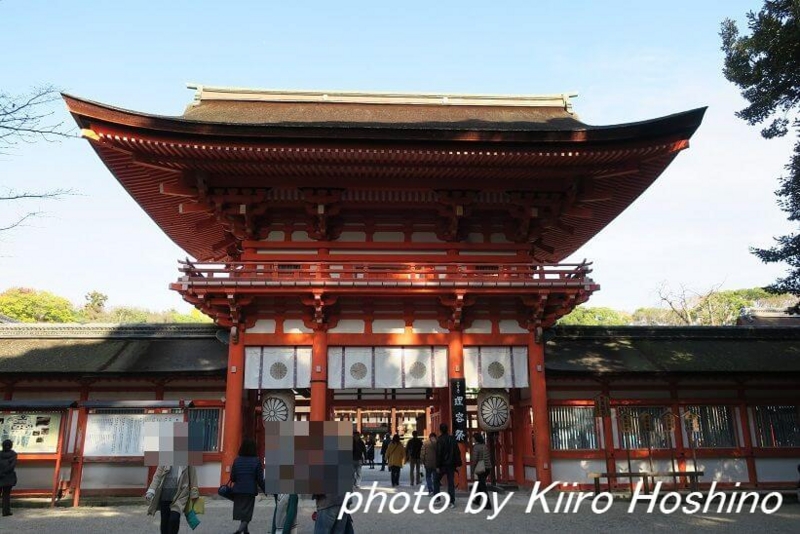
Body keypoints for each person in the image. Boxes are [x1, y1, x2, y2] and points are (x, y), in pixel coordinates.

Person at [145, 463, 200, 534]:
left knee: (174, 519)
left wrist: (194, 493)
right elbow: (157, 476)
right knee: (165, 520)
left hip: (180, 495)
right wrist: (151, 490)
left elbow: (193, 477)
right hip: (165, 495)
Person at [230, 438, 266, 534]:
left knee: (243, 513)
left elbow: (232, 477)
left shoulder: (237, 460)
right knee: (247, 514)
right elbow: (260, 479)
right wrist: (265, 490)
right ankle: (238, 531)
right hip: (249, 491)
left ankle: (246, 532)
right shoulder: (256, 461)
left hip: (238, 490)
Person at [434, 423, 461, 508]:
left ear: (440, 430)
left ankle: (437, 498)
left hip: (442, 464)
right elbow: (457, 452)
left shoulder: (440, 440)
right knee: (451, 483)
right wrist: (458, 463)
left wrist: (437, 466)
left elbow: (438, 453)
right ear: (448, 429)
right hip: (451, 464)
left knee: (436, 480)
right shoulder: (452, 439)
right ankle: (451, 501)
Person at [470, 433, 492, 511]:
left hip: (481, 468)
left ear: (476, 439)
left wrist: (472, 469)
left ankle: (488, 504)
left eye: (473, 438)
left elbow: (475, 459)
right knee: (480, 484)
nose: (472, 439)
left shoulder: (476, 447)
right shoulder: (484, 446)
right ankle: (477, 500)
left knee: (483, 486)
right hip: (487, 467)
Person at [0, 439, 17, 517]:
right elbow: (12, 466)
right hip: (8, 477)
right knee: (6, 495)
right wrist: (4, 472)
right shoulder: (13, 454)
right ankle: (5, 511)